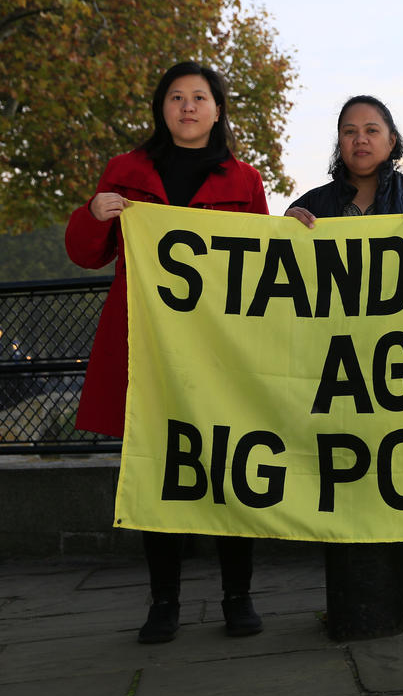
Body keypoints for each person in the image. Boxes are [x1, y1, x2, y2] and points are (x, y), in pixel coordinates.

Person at [65, 61, 270, 643]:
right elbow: (87, 254)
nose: (187, 107)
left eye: (199, 97)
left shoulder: (245, 180)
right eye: (176, 97)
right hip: (145, 344)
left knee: (231, 465)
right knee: (159, 474)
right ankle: (164, 603)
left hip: (218, 348)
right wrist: (93, 214)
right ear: (161, 107)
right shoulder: (123, 171)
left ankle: (238, 596)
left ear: (217, 109)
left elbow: (258, 262)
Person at [285, 94, 403, 623]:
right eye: (349, 131)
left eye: (372, 129)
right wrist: (282, 230)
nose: (360, 139)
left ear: (391, 140)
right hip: (338, 361)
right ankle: (355, 583)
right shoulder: (313, 204)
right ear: (339, 142)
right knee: (349, 472)